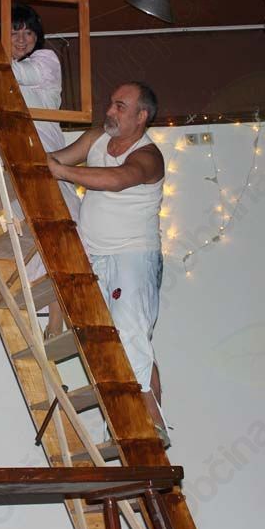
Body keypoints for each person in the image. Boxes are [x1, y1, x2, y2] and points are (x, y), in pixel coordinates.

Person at [46, 82, 166, 432]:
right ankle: (136, 419)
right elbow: (53, 160)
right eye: (111, 104)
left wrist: (63, 173)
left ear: (141, 116)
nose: (110, 112)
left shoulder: (149, 155)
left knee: (130, 333)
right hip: (94, 256)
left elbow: (118, 178)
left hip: (132, 256)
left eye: (120, 106)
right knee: (108, 339)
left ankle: (150, 423)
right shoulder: (96, 137)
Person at [0, 3, 81, 335]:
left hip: (44, 159)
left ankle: (58, 318)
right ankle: (53, 314)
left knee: (57, 235)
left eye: (28, 32)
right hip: (16, 164)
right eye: (14, 32)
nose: (21, 39)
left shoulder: (46, 60)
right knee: (35, 241)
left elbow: (16, 74)